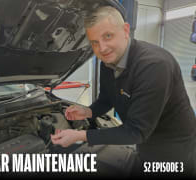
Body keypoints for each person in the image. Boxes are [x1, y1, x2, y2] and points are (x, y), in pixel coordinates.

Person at [50, 6, 196, 176]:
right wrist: (88, 111)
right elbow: (106, 98)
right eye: (95, 42)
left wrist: (80, 135)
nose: (102, 48)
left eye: (108, 36)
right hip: (146, 140)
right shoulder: (107, 62)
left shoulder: (154, 66)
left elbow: (136, 132)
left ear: (125, 30)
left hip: (172, 148)